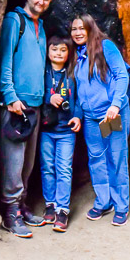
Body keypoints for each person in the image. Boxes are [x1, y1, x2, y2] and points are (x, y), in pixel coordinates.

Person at [0, 0, 53, 238]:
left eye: (46, 0)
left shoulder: (41, 27)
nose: (41, 2)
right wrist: (10, 96)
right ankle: (10, 212)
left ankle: (22, 205)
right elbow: (5, 59)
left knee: (28, 162)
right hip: (17, 105)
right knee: (13, 160)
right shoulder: (14, 21)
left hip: (36, 106)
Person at [69, 13, 130, 226]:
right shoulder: (78, 54)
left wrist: (115, 105)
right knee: (96, 159)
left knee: (116, 157)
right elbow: (80, 90)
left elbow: (122, 75)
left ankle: (121, 205)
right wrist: (77, 115)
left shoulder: (105, 47)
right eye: (74, 29)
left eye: (81, 28)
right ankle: (104, 201)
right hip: (90, 118)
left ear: (90, 28)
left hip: (110, 114)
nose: (77, 33)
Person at [39, 36, 81, 233]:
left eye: (63, 50)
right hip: (46, 130)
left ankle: (62, 209)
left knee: (64, 168)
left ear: (69, 52)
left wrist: (78, 117)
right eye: (54, 49)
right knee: (48, 167)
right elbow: (36, 92)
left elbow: (80, 98)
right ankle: (50, 204)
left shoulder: (72, 74)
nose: (58, 53)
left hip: (66, 131)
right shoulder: (43, 72)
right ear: (47, 52)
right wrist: (50, 96)